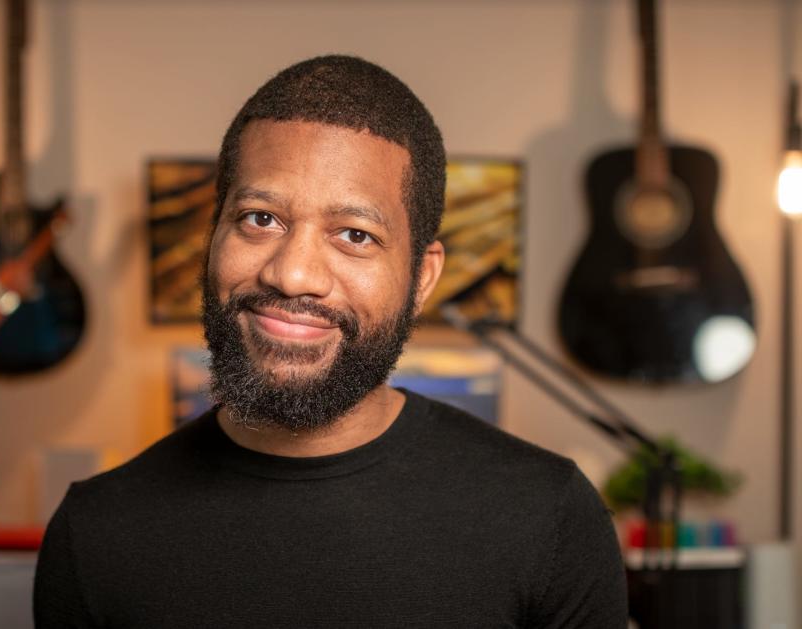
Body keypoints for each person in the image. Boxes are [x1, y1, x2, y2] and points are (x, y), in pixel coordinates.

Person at [34, 55, 627, 628]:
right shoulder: (95, 534)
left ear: (421, 277)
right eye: (260, 219)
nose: (292, 275)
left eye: (354, 234)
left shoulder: (546, 517)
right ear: (212, 235)